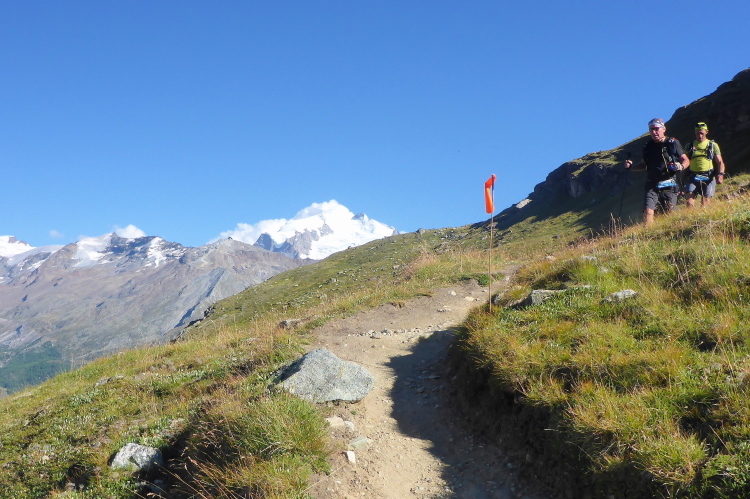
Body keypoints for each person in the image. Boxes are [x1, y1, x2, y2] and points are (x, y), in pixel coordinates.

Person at [624, 118, 690, 225]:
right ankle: (648, 232)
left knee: (669, 213)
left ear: (663, 129)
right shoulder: (648, 146)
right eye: (651, 129)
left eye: (656, 129)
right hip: (652, 184)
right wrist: (631, 167)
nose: (654, 132)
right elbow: (643, 165)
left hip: (669, 183)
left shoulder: (672, 143)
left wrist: (681, 166)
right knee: (648, 211)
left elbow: (686, 160)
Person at [684, 122, 726, 208]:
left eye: (702, 133)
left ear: (706, 132)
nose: (700, 136)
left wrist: (721, 174)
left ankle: (703, 217)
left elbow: (720, 162)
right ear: (695, 132)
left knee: (705, 204)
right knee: (689, 203)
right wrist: (681, 180)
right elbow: (684, 161)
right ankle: (690, 217)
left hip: (708, 177)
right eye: (697, 133)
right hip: (693, 177)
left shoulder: (713, 145)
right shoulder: (689, 146)